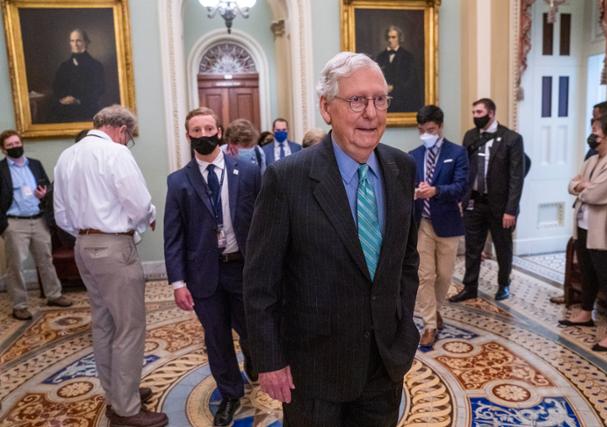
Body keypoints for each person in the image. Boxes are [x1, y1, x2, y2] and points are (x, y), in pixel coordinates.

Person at [243, 52, 419, 427]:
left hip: (383, 363)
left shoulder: (401, 168)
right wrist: (270, 359)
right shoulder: (286, 179)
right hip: (313, 371)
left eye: (380, 99)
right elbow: (261, 283)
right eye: (356, 100)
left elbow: (406, 259)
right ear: (326, 108)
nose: (371, 113)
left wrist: (403, 327)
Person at [53, 105, 166, 427]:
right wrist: (148, 216)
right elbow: (138, 202)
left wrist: (87, 233)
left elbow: (61, 214)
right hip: (114, 248)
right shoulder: (115, 153)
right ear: (121, 129)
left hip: (82, 247)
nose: (127, 141)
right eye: (128, 136)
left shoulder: (67, 156)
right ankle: (127, 409)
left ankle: (117, 393)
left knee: (104, 324)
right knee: (130, 327)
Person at [164, 107, 261, 426]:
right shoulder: (178, 181)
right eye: (197, 130)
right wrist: (178, 282)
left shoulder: (247, 170)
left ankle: (255, 362)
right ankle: (231, 393)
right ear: (188, 135)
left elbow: (264, 220)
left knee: (251, 328)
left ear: (219, 131)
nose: (204, 135)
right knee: (216, 337)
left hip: (242, 267)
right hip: (203, 274)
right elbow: (173, 233)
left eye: (209, 128)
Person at [559, 115, 607, 352]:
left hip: (603, 230)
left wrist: (584, 188)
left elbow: (595, 195)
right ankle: (585, 313)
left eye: (596, 132)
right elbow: (572, 184)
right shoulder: (593, 159)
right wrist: (582, 186)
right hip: (584, 226)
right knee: (587, 273)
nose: (592, 136)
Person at [450, 98, 525, 303]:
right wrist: (461, 199)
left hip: (500, 206)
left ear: (491, 113)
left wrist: (511, 209)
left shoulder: (511, 139)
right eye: (473, 112)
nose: (475, 116)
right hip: (474, 202)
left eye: (479, 112)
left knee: (503, 247)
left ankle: (503, 285)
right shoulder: (470, 136)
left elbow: (516, 178)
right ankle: (469, 287)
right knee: (473, 248)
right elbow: (464, 169)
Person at [409, 105, 468, 347]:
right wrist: (414, 193)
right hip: (422, 222)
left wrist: (436, 191)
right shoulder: (413, 155)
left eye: (430, 130)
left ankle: (435, 310)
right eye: (422, 130)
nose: (426, 135)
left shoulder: (457, 152)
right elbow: (405, 187)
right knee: (425, 276)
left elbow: (461, 187)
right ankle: (429, 324)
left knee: (444, 276)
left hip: (448, 223)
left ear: (440, 127)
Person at [0, 130, 72, 320]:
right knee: (15, 266)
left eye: (17, 143)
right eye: (10, 145)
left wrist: (43, 194)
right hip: (15, 223)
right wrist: (3, 225)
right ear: (3, 149)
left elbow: (47, 187)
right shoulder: (1, 170)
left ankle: (54, 295)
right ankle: (19, 305)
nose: (15, 147)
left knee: (46, 260)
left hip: (39, 219)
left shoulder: (35, 164)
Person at [49, 29, 105, 123]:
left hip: (87, 108)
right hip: (64, 108)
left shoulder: (96, 66)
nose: (75, 44)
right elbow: (56, 87)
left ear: (86, 42)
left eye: (78, 41)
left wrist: (78, 100)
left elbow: (99, 90)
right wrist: (64, 98)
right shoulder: (64, 66)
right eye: (72, 41)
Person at [375, 25, 421, 113]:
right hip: (383, 101)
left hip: (402, 100)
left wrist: (394, 87)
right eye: (388, 37)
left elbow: (411, 80)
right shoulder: (380, 56)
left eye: (393, 37)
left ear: (399, 38)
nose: (390, 40)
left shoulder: (408, 57)